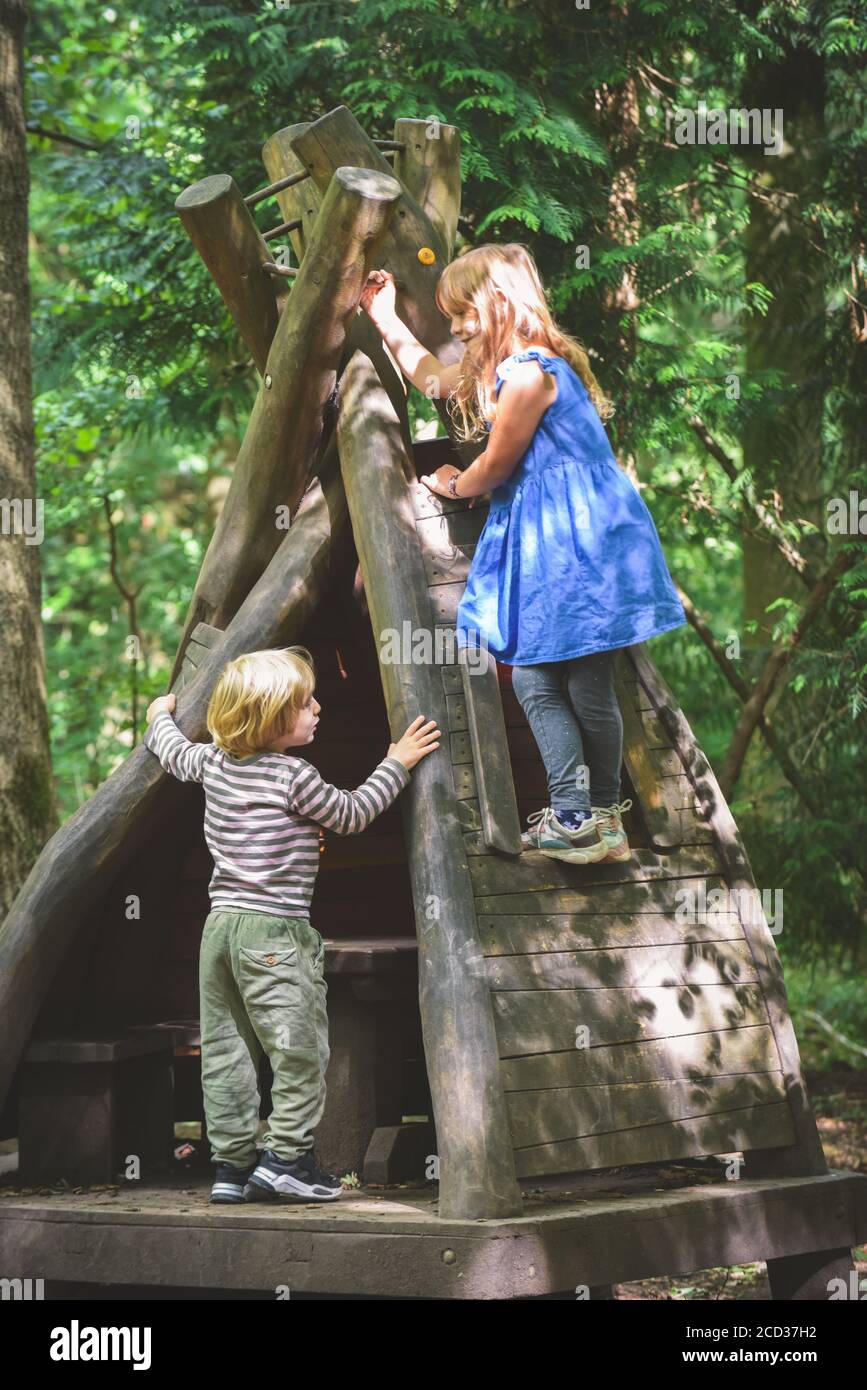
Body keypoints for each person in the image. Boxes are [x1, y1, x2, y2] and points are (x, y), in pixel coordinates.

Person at [360, 242, 686, 865]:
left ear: (501, 302)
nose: (457, 328)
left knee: (537, 678)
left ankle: (574, 816)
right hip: (579, 539)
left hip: (574, 543)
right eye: (450, 316)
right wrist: (384, 316)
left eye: (465, 313)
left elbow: (497, 463)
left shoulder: (530, 373)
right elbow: (432, 378)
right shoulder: (519, 370)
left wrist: (452, 483)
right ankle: (601, 821)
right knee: (586, 686)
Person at [144, 646, 439, 1203]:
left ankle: (231, 1168)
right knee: (299, 1049)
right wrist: (397, 761)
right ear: (272, 718)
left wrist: (160, 713)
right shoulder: (293, 775)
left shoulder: (212, 763)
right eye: (305, 704)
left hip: (220, 931)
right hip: (275, 932)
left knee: (228, 1052)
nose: (318, 708)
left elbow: (171, 749)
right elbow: (351, 814)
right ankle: (287, 1158)